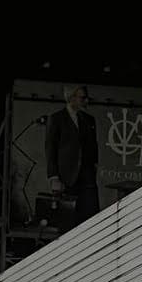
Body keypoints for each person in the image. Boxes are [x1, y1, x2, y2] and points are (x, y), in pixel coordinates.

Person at [45, 85, 100, 223]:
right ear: (71, 98)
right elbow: (50, 149)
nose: (86, 101)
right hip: (66, 177)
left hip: (87, 178)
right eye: (82, 98)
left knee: (90, 216)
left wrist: (94, 165)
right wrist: (54, 177)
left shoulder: (89, 120)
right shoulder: (56, 119)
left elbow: (93, 145)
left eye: (86, 98)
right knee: (67, 218)